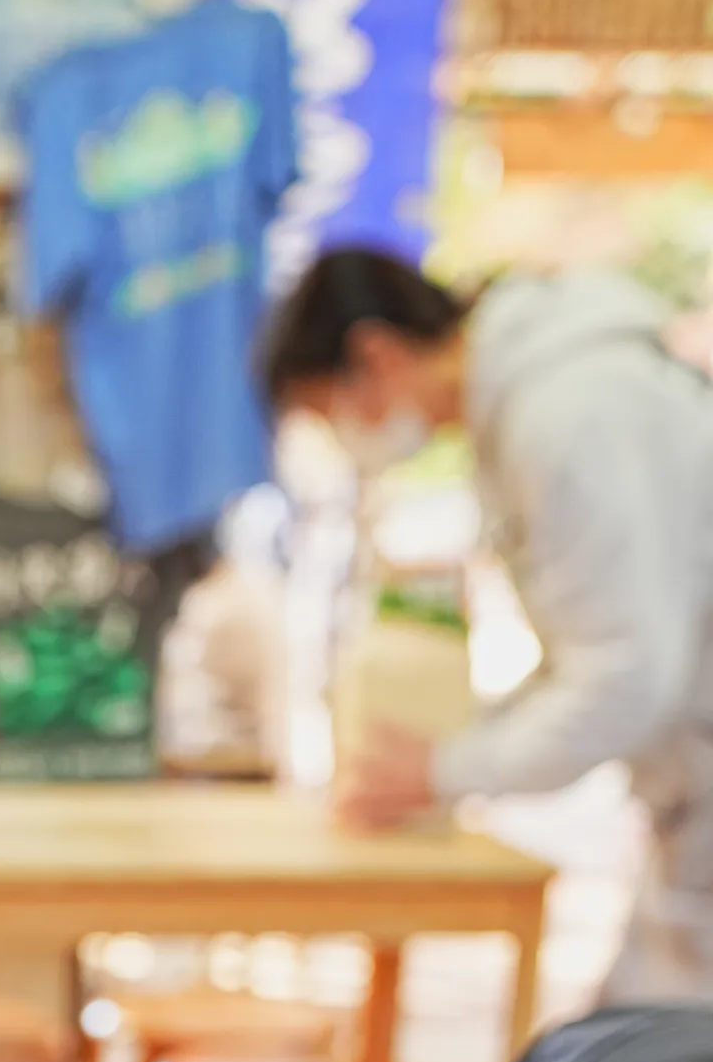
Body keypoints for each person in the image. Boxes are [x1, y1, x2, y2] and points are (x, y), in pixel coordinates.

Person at [260, 244, 713, 1001]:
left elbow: (629, 676)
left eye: (332, 412)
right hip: (686, 808)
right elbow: (590, 651)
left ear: (374, 354)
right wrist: (454, 752)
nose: (348, 438)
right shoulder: (530, 408)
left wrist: (445, 771)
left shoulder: (570, 412)